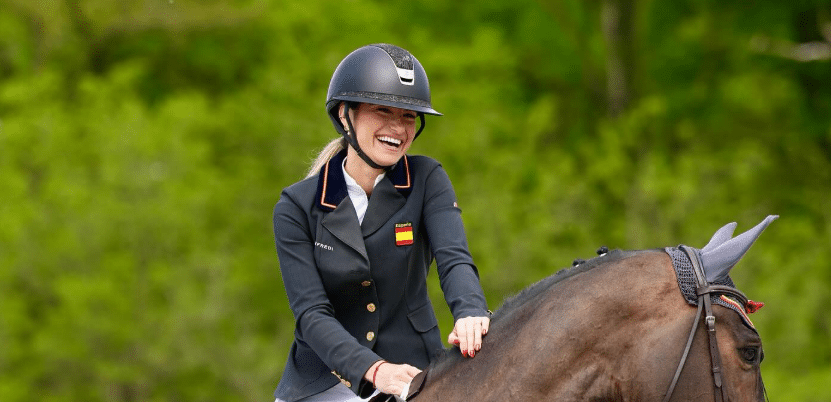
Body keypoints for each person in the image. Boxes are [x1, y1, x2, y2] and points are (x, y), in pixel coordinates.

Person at [272, 43, 490, 402]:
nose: (398, 128)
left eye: (408, 116)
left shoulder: (427, 179)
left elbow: (454, 259)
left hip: (414, 370)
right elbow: (311, 314)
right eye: (383, 110)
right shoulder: (296, 206)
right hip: (323, 382)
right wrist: (375, 370)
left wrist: (470, 311)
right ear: (345, 115)